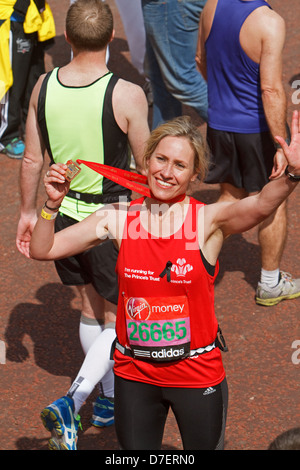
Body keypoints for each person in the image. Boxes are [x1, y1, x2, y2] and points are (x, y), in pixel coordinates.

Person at [29, 110, 300, 450]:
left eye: (179, 165)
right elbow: (45, 248)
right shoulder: (117, 218)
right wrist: (51, 205)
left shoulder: (208, 220)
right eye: (161, 159)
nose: (167, 172)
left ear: (195, 174)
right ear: (147, 160)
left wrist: (292, 174)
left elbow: (261, 204)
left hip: (195, 374)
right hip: (135, 374)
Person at [16, 0, 149, 449]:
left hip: (63, 214)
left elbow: (34, 158)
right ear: (111, 38)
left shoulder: (42, 87)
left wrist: (28, 213)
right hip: (110, 220)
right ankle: (73, 402)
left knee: (90, 307)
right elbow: (150, 170)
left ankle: (108, 401)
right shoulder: (126, 92)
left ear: (67, 39)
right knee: (118, 317)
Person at [196, 0, 300, 306]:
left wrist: (224, 99)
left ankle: (192, 270)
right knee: (274, 200)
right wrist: (281, 142)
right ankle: (270, 282)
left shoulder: (211, 6)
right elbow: (270, 89)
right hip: (255, 128)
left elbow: (200, 59)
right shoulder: (269, 22)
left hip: (219, 123)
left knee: (229, 197)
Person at [0, 0, 55, 159]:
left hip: (33, 16)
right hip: (11, 19)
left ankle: (31, 128)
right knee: (11, 81)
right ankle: (6, 135)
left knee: (35, 79)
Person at [141, 0, 208, 129]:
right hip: (164, 5)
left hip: (168, 4)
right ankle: (164, 142)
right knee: (160, 77)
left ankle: (238, 130)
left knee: (182, 80)